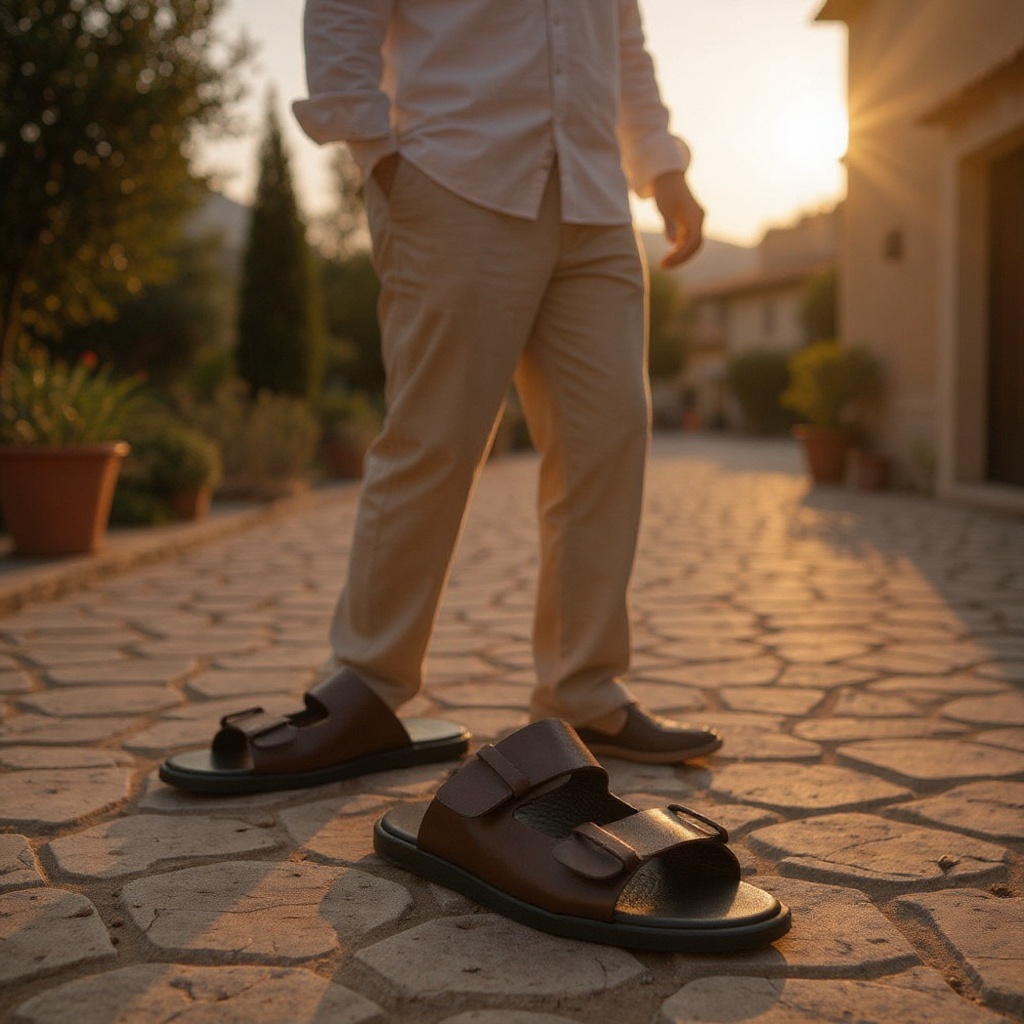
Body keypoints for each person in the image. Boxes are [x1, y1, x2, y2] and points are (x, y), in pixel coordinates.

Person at [160, 0, 721, 796]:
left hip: (596, 200)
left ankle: (583, 688)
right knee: (437, 438)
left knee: (611, 437)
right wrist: (380, 159)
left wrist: (664, 169)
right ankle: (365, 685)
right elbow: (344, 13)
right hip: (456, 181)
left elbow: (623, 46)